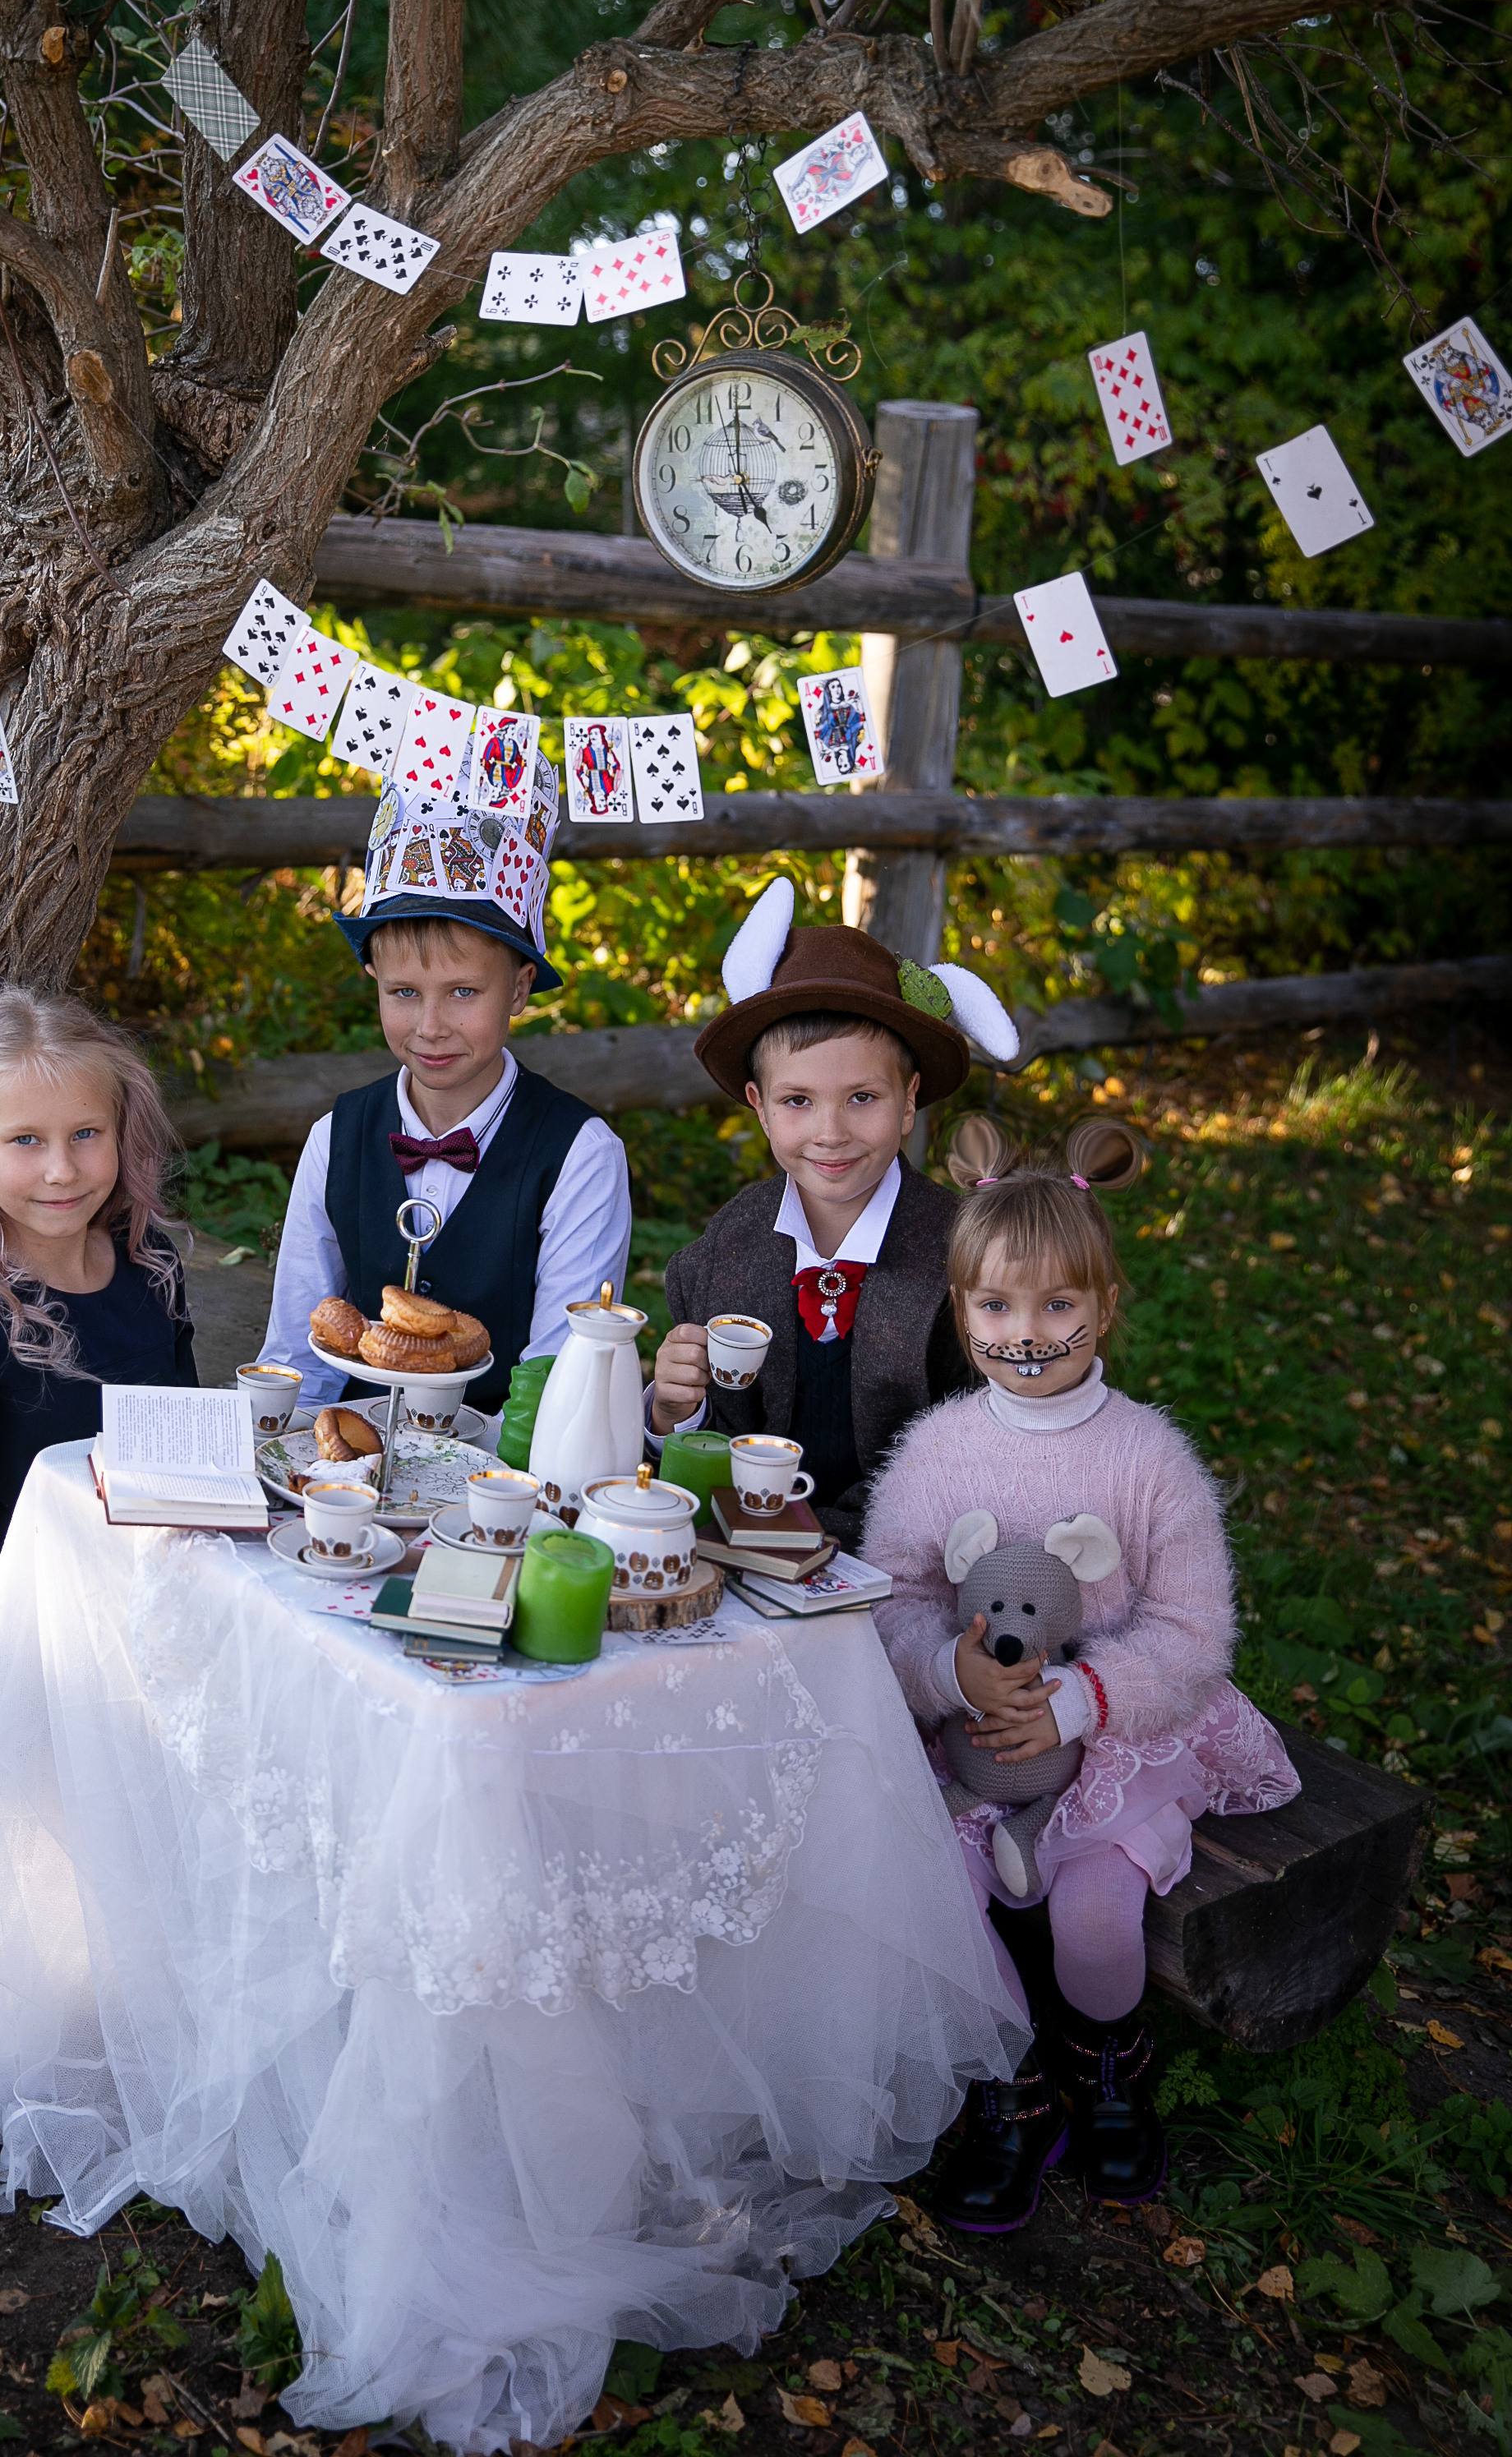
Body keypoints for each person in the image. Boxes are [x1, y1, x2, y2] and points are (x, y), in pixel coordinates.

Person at [860, 1116, 1301, 2231]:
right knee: (937, 1900)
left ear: (1105, 1308)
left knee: (1097, 1918)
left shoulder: (1148, 1457)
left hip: (1120, 1738)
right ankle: (1009, 2088)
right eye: (997, 1306)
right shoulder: (940, 1449)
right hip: (970, 1745)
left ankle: (1107, 2062)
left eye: (1059, 1305)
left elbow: (1195, 1634)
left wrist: (1080, 1694)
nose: (1027, 1332)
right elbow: (892, 1601)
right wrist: (951, 1671)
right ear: (962, 1314)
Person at [648, 877, 1020, 1540]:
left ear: (908, 1101)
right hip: (743, 1544)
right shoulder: (731, 1245)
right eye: (798, 1101)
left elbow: (989, 1452)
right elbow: (708, 1442)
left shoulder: (965, 1258)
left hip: (912, 1558)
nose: (830, 1132)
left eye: (862, 1098)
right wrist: (675, 1412)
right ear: (759, 1107)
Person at [261, 755, 630, 1412]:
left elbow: (562, 1378)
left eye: (463, 992)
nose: (431, 1027)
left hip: (499, 1478)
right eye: (405, 992)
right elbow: (296, 1349)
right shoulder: (335, 1139)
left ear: (518, 989)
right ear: (375, 982)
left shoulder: (579, 1154)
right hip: (347, 1464)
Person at [0, 989, 196, 1751]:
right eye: (25, 1140)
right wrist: (96, 1657)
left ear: (124, 1130)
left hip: (146, 1605)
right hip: (15, 1637)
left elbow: (187, 1465)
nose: (62, 1170)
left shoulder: (147, 1266)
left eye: (86, 1133)